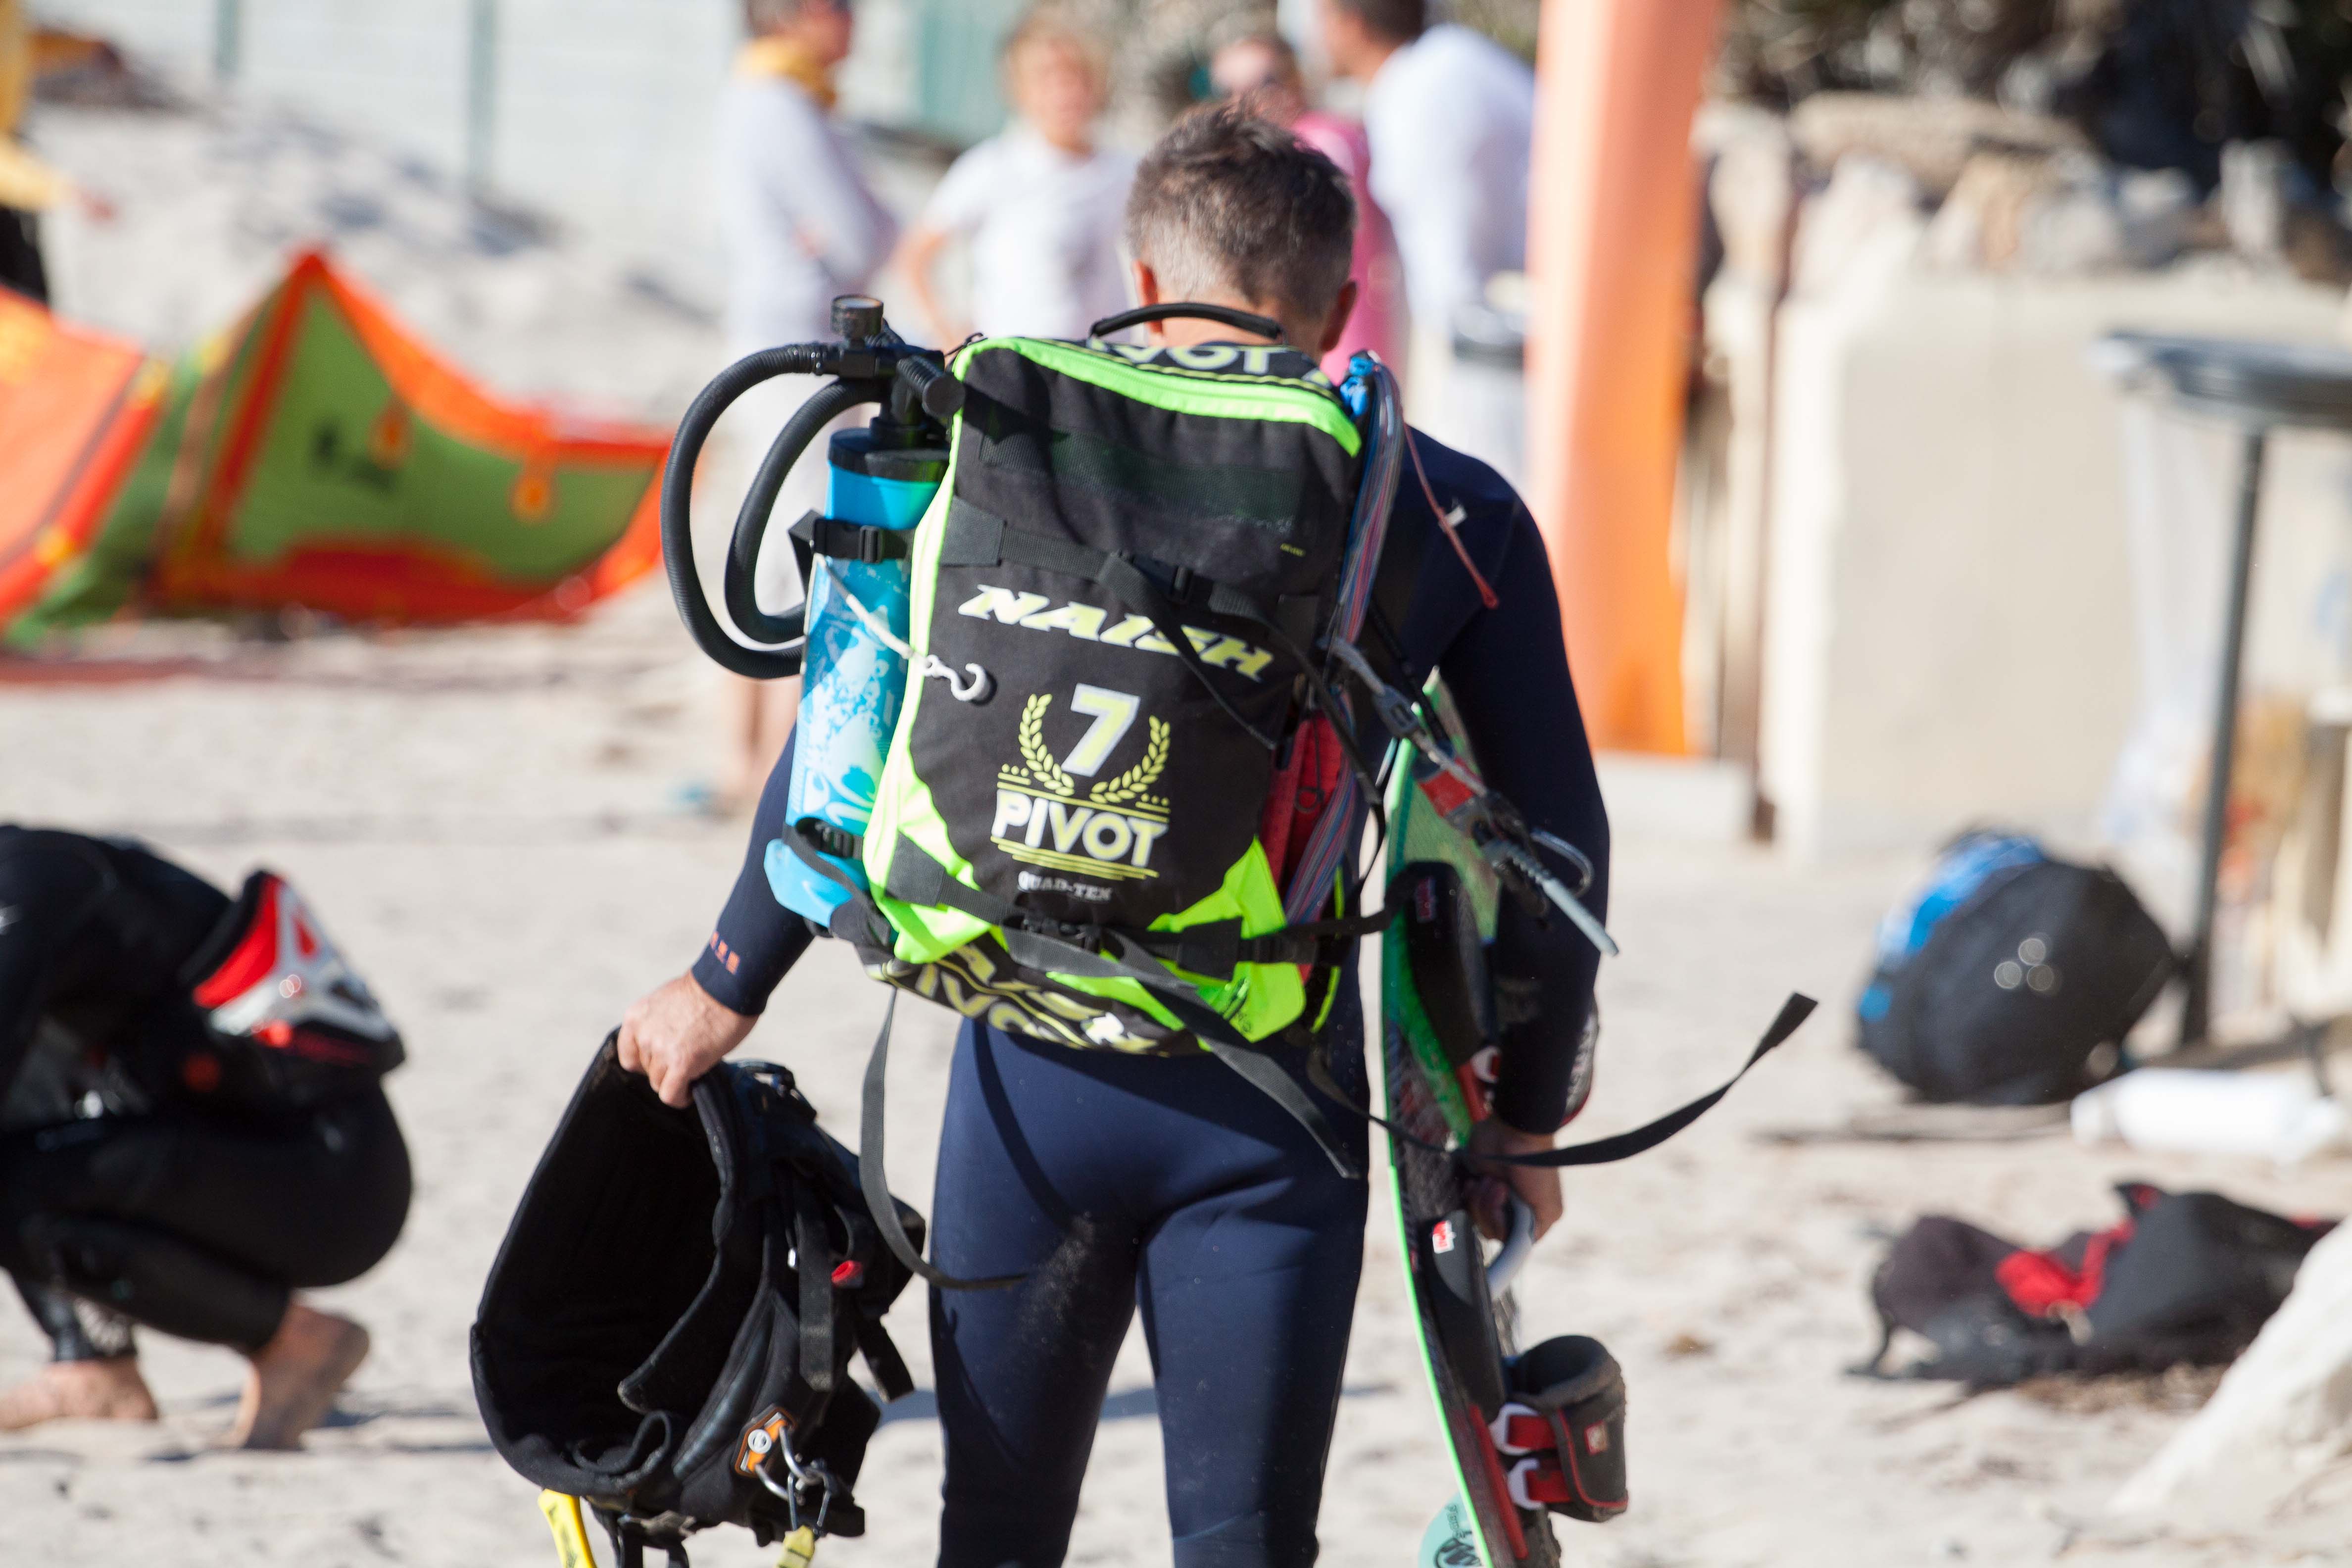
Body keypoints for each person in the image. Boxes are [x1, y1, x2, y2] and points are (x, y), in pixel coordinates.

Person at [617, 104, 1607, 1567]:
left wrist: (722, 980)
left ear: (1145, 283)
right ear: (1340, 307)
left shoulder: (1004, 448)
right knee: (1242, 1542)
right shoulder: (1447, 503)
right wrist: (1525, 1114)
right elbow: (1556, 853)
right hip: (1277, 1106)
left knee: (998, 1533)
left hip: (1027, 1078)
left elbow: (851, 724)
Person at [0, 828, 411, 1448]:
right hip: (244, 1153)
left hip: (333, 1185)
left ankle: (296, 1342)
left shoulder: (29, 887)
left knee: (11, 1186)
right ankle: (91, 1365)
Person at [710, 0, 898, 808]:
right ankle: (770, 769)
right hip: (796, 354)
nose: (853, 21)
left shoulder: (763, 97)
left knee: (752, 549)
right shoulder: (784, 105)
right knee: (800, 554)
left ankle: (744, 759)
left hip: (765, 341)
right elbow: (865, 234)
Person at [1318, 0, 1533, 420]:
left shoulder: (1422, 95)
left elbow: (1451, 291)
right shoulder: (1448, 64)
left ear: (1349, 25)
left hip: (1505, 368)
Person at [894, 8, 1135, 344]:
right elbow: (914, 259)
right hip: (1017, 377)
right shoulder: (992, 167)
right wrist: (947, 336)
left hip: (1104, 373)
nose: (1063, 93)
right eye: (1045, 79)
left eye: (1074, 76)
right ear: (1019, 89)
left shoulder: (1127, 170)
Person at [1207, 25, 1400, 382]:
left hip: (1340, 346)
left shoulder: (1320, 145)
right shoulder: (1313, 140)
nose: (1243, 99)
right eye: (1225, 87)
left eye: (1264, 81)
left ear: (1295, 80)